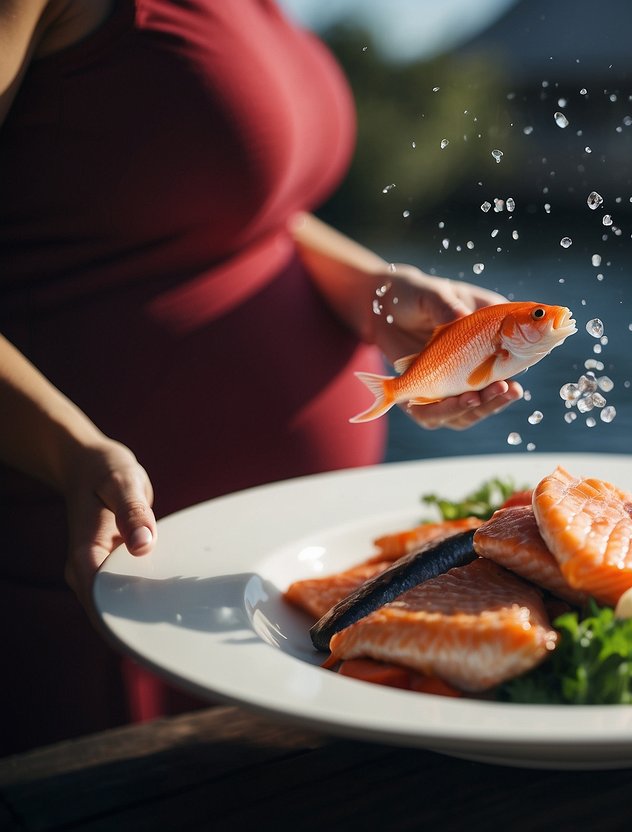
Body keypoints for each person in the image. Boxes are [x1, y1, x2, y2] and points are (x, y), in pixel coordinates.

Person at [0, 0, 522, 755]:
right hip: (96, 576)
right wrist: (67, 446)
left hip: (277, 592)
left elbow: (251, 210)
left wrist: (377, 294)